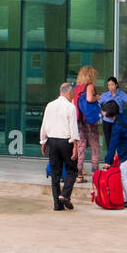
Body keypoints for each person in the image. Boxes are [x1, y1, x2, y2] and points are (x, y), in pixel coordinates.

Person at [39, 82, 80, 210]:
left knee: (55, 174)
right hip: (66, 141)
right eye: (73, 93)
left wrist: (43, 141)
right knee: (72, 170)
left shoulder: (50, 105)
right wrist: (75, 145)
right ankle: (65, 194)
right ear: (68, 93)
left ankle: (57, 205)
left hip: (52, 141)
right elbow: (73, 127)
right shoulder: (70, 107)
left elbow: (44, 124)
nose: (73, 96)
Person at [101, 100, 127, 208]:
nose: (103, 113)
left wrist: (107, 161)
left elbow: (112, 145)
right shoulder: (126, 116)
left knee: (123, 175)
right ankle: (125, 199)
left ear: (109, 115)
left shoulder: (117, 127)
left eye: (104, 112)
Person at [72, 65, 101, 182]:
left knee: (81, 146)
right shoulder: (90, 86)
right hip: (89, 120)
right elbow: (89, 99)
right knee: (95, 147)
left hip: (78, 120)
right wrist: (97, 97)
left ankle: (79, 175)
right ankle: (96, 175)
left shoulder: (77, 88)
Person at [99, 76, 127, 154]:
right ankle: (110, 162)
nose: (110, 87)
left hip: (118, 121)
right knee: (109, 142)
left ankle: (120, 160)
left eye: (112, 84)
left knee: (119, 141)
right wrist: (102, 112)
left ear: (116, 84)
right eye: (109, 85)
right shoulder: (104, 95)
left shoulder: (121, 94)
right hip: (107, 122)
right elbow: (97, 104)